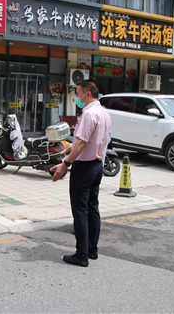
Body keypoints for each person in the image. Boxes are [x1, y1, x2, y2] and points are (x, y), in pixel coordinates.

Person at [51, 80, 111, 267]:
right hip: (97, 165)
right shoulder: (104, 113)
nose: (77, 97)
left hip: (84, 168)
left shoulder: (88, 114)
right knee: (92, 207)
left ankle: (81, 254)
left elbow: (83, 143)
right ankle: (92, 250)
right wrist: (69, 149)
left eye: (78, 94)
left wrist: (65, 164)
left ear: (88, 94)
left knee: (80, 210)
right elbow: (85, 142)